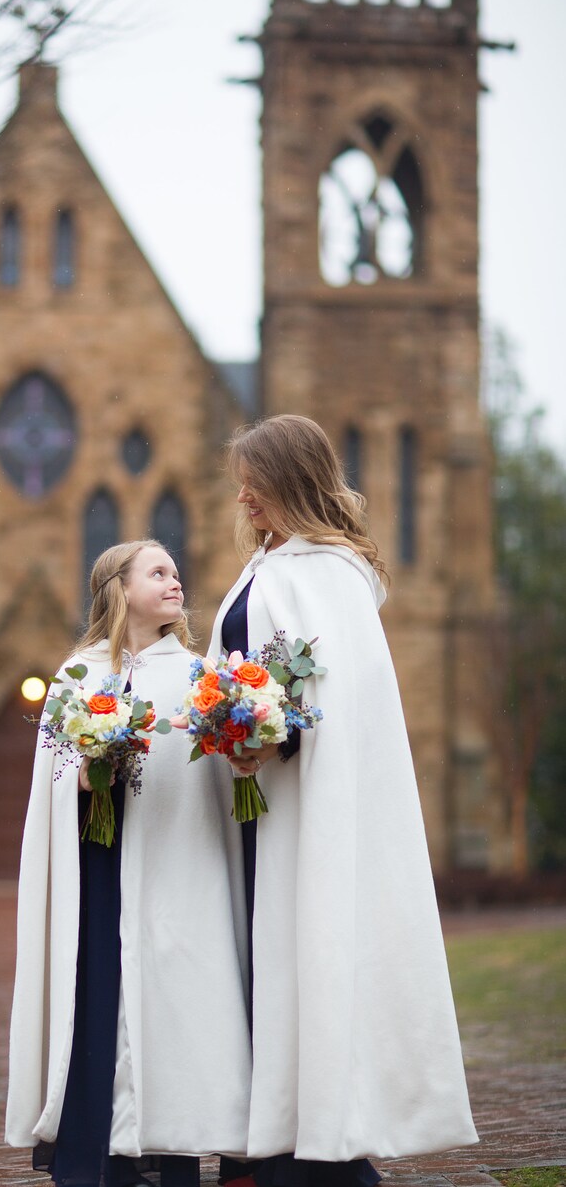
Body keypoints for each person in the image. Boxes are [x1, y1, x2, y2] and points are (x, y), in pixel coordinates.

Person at [209, 416, 478, 1187]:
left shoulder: (325, 571)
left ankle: (314, 1157)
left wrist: (271, 733)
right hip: (256, 805)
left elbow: (324, 692)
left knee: (301, 960)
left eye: (251, 480)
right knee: (263, 967)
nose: (240, 495)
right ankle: (263, 1149)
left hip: (295, 808)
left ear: (286, 479)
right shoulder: (273, 563)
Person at [6, 540, 252, 1187]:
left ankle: (173, 1152)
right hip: (99, 868)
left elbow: (221, 778)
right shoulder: (79, 675)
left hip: (178, 868)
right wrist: (85, 777)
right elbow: (53, 777)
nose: (177, 582)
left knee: (179, 1001)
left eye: (176, 572)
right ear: (119, 587)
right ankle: (100, 1156)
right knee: (100, 997)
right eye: (159, 572)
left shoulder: (199, 676)